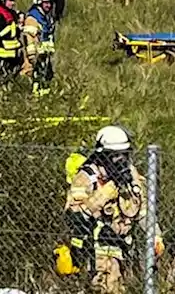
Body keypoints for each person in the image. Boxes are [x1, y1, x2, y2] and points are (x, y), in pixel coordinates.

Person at [64, 125, 148, 294]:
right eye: (115, 155)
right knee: (105, 287)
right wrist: (102, 196)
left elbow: (142, 208)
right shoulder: (86, 177)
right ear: (103, 155)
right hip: (98, 248)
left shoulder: (130, 175)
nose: (120, 160)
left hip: (126, 246)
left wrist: (155, 235)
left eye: (124, 154)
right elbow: (74, 216)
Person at [21, 0, 56, 95]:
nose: (48, 5)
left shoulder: (45, 17)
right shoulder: (33, 18)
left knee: (46, 77)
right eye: (46, 3)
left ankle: (43, 97)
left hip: (44, 55)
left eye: (49, 2)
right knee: (32, 77)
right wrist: (32, 57)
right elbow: (30, 38)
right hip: (35, 57)